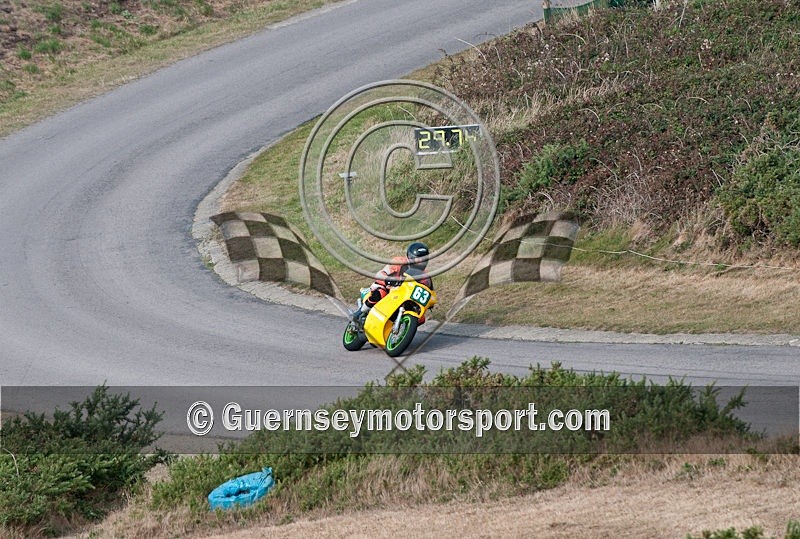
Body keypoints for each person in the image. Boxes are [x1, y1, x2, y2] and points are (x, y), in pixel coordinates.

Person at [351, 242, 432, 321]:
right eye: (418, 259)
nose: (421, 263)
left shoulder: (424, 276)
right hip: (388, 287)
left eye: (424, 260)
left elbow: (428, 290)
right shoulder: (398, 262)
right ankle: (359, 313)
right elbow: (381, 274)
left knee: (421, 318)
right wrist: (388, 280)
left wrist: (429, 301)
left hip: (404, 295)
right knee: (380, 293)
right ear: (410, 257)